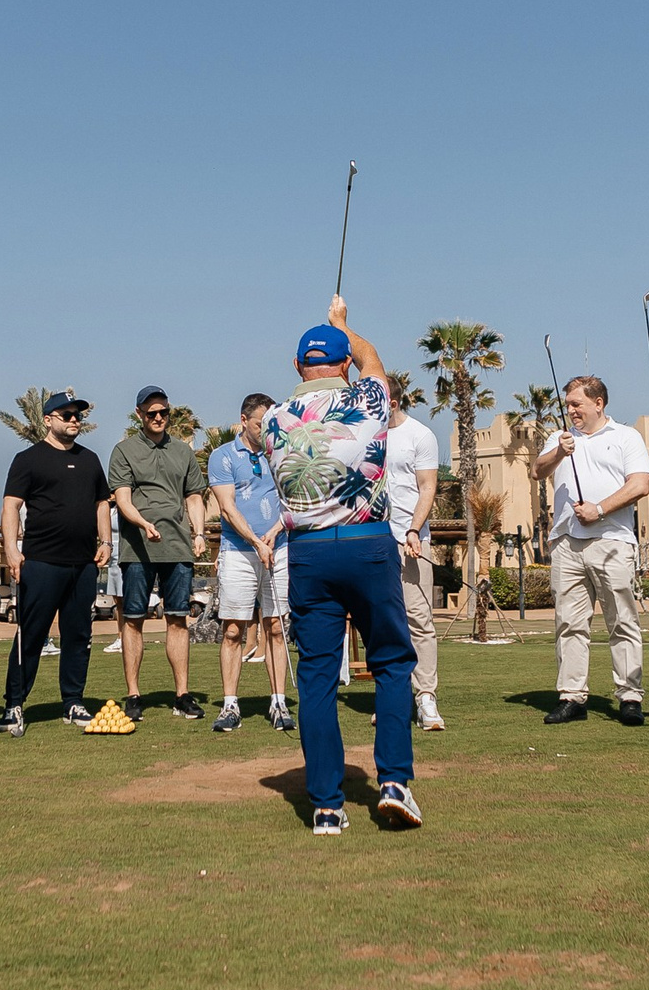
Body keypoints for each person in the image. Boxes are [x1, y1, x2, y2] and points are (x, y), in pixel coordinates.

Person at [262, 299, 420, 834]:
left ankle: (327, 805)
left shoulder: (274, 420)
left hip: (308, 552)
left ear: (296, 367)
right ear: (343, 365)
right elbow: (373, 357)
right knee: (393, 663)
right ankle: (395, 782)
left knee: (317, 676)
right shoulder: (368, 400)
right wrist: (344, 326)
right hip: (367, 543)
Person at [534, 376, 649, 726]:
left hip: (612, 541)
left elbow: (640, 485)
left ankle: (630, 696)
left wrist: (599, 509)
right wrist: (559, 450)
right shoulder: (559, 438)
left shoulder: (626, 437)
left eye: (577, 404)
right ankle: (572, 697)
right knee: (569, 622)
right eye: (568, 404)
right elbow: (537, 471)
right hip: (567, 543)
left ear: (598, 403)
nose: (571, 410)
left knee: (622, 620)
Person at [0, 392, 113, 734]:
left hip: (84, 564)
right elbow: (10, 506)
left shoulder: (91, 460)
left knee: (78, 636)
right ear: (48, 419)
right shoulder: (28, 459)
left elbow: (102, 504)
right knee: (31, 635)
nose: (74, 419)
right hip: (42, 562)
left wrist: (106, 541)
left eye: (78, 415)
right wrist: (11, 549)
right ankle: (14, 705)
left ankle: (73, 702)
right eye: (67, 414)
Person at [108, 385, 210, 720]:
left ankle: (182, 694)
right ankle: (134, 695)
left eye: (163, 412)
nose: (158, 418)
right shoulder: (124, 450)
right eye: (151, 413)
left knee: (178, 619)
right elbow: (122, 499)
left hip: (178, 547)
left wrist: (198, 533)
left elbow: (194, 496)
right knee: (134, 620)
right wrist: (143, 524)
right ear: (139, 414)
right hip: (137, 549)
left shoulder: (182, 452)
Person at [207, 393, 293, 733]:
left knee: (275, 627)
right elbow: (227, 508)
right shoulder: (223, 456)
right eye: (261, 424)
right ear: (244, 421)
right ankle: (230, 706)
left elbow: (292, 500)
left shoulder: (283, 451)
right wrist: (257, 542)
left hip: (279, 546)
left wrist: (272, 534)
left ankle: (278, 702)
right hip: (239, 551)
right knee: (233, 629)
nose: (266, 429)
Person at [383, 388, 445, 731]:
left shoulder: (419, 435)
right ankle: (394, 697)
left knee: (419, 621)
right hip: (373, 542)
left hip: (410, 541)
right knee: (384, 624)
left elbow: (428, 487)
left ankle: (426, 698)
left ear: (392, 402)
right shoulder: (365, 435)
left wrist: (414, 529)